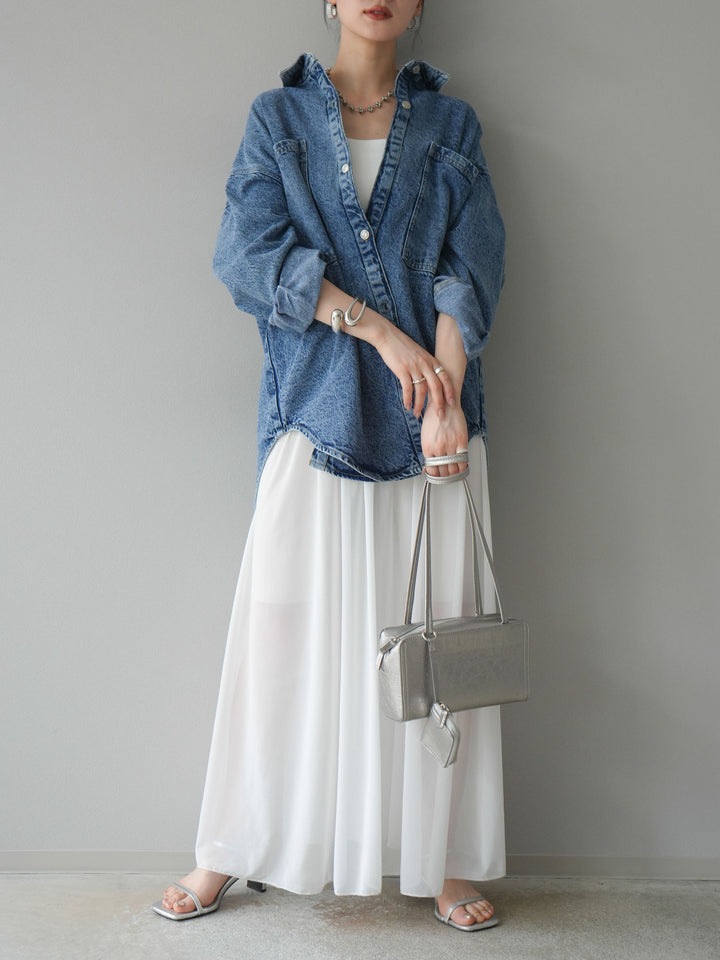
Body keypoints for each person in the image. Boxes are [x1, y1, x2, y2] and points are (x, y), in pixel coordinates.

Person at [153, 0, 506, 932]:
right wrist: (383, 336)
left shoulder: (452, 124)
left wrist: (444, 392)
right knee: (280, 636)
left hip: (430, 427)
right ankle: (229, 847)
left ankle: (444, 860)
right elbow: (248, 255)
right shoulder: (278, 119)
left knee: (442, 642)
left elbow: (470, 269)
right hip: (318, 410)